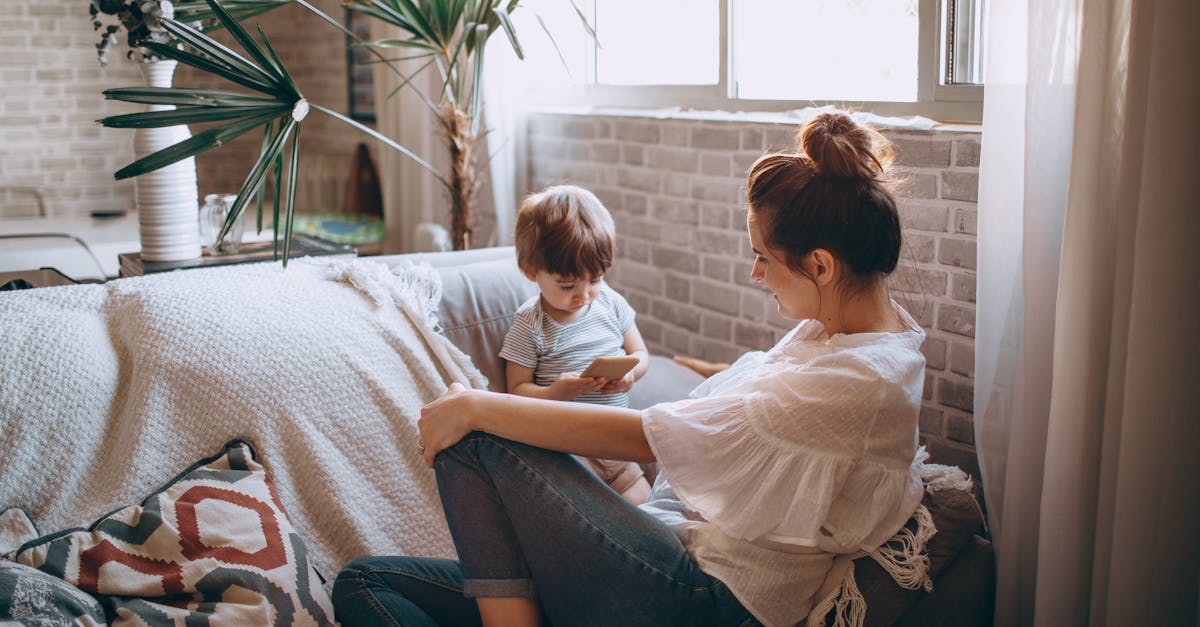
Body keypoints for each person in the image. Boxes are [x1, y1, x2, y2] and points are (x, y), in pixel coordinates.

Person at [333, 111, 931, 627]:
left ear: (821, 266)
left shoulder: (861, 382)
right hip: (660, 550)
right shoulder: (849, 336)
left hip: (704, 594)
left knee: (475, 435)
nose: (755, 274)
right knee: (363, 583)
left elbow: (647, 433)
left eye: (761, 257)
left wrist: (478, 404)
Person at [499, 184, 653, 504]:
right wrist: (557, 392)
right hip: (570, 452)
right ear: (531, 272)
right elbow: (516, 390)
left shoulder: (609, 302)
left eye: (594, 280)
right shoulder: (530, 323)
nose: (583, 295)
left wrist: (630, 376)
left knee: (650, 513)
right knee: (596, 517)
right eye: (568, 285)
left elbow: (640, 354)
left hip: (617, 444)